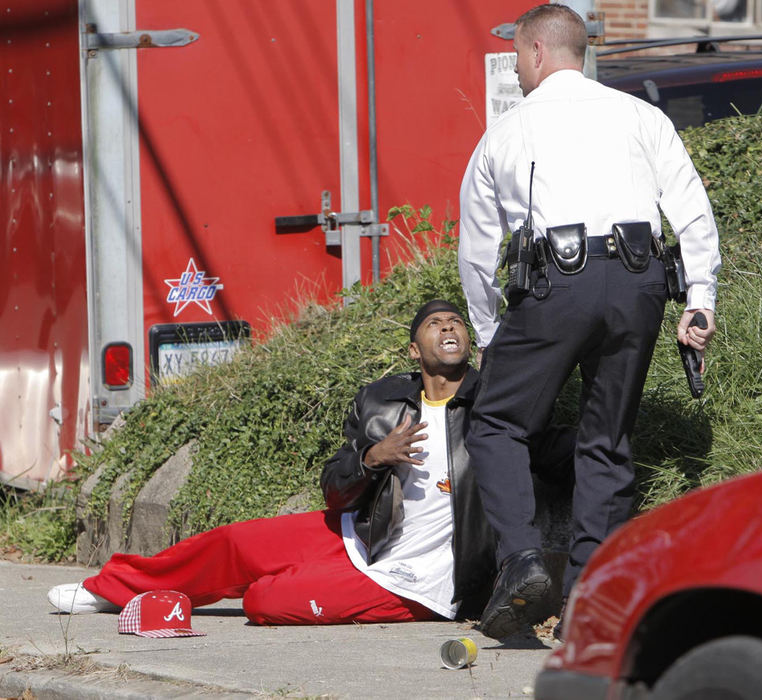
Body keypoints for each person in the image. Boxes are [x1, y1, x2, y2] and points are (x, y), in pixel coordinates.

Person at [49, 300, 575, 626]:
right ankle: (111, 589)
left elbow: (560, 451)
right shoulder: (383, 401)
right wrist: (373, 458)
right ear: (414, 350)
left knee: (264, 601)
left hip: (423, 581)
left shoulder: (496, 409)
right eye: (434, 323)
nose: (448, 328)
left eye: (456, 321)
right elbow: (335, 489)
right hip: (364, 533)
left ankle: (294, 584)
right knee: (235, 543)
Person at [458, 4, 720, 640]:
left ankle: (522, 561)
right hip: (639, 285)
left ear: (539, 54)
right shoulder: (640, 114)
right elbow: (691, 206)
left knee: (496, 422)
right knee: (605, 441)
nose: (518, 70)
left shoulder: (506, 130)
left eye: (520, 57)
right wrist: (699, 299)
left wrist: (489, 335)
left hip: (556, 287)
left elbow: (476, 246)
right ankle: (588, 598)